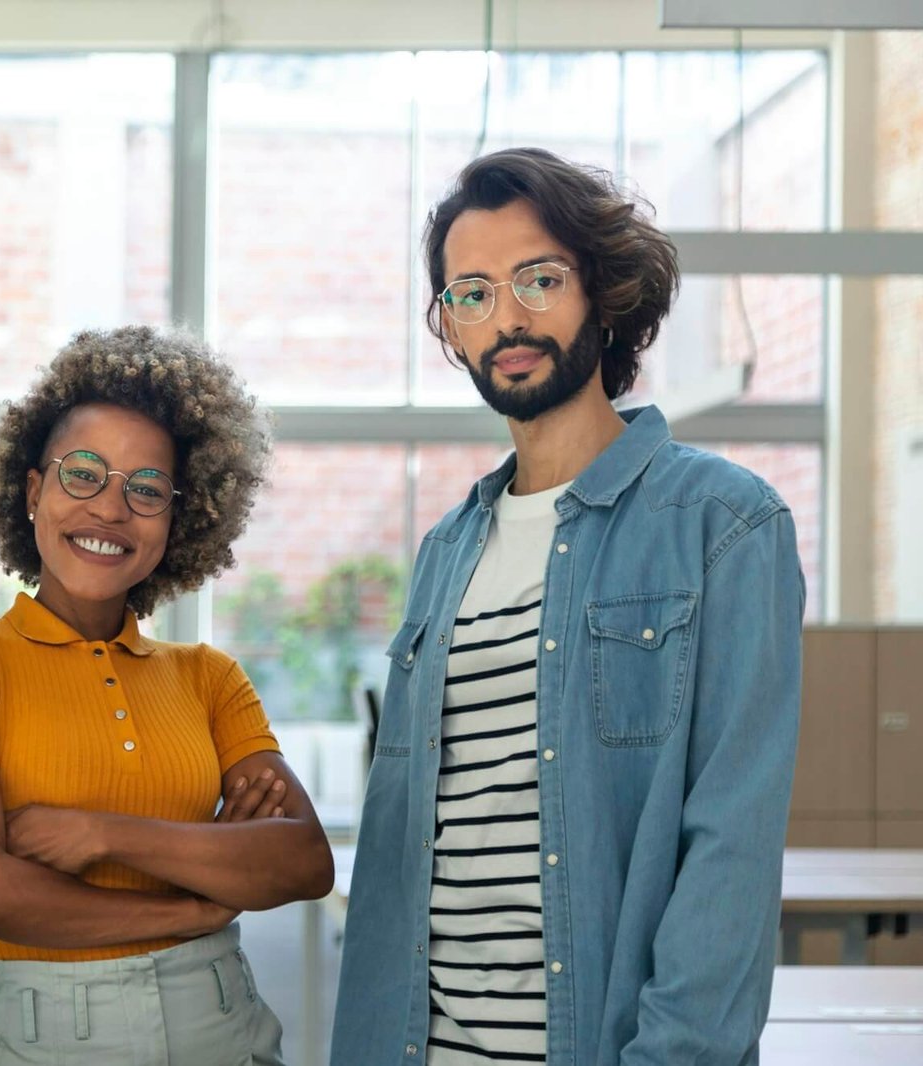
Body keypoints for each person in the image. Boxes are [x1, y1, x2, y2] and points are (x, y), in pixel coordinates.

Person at [331, 148, 803, 1065]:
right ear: (451, 327)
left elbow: (730, 857)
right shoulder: (445, 554)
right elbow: (405, 858)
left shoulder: (725, 526)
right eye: (471, 293)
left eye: (538, 279)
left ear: (603, 290)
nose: (506, 316)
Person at [0, 325, 333, 1066]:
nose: (109, 509)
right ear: (33, 489)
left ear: (179, 519)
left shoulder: (208, 676)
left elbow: (301, 861)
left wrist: (104, 834)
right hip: (47, 1038)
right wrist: (197, 897)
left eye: (145, 490)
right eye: (83, 474)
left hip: (224, 1024)